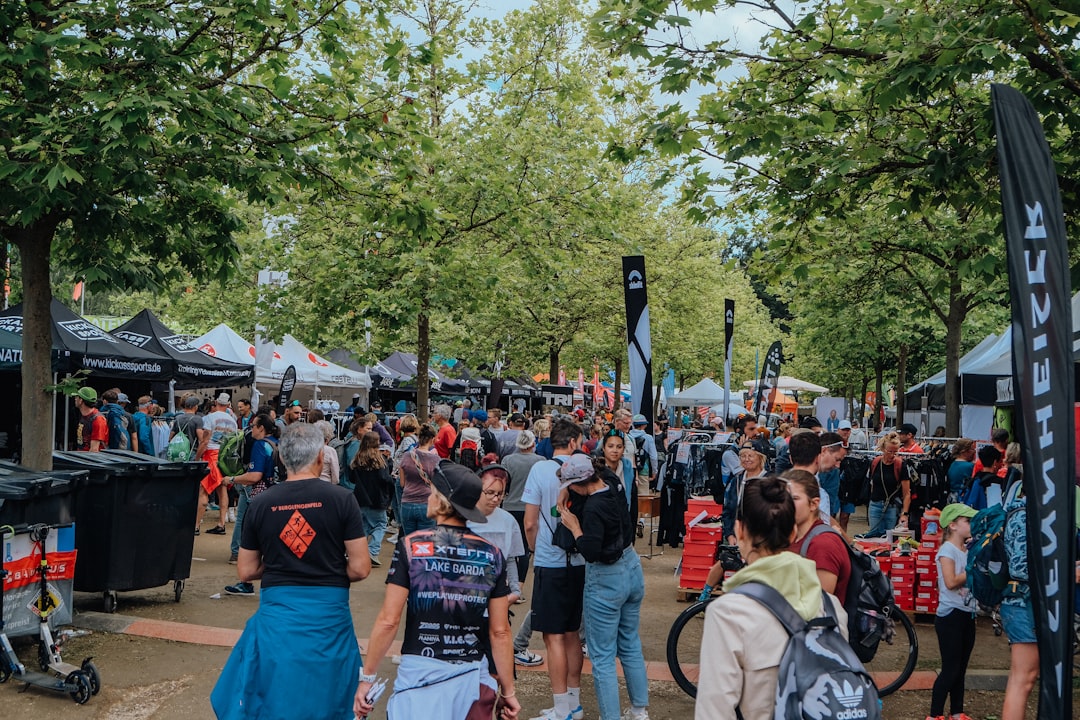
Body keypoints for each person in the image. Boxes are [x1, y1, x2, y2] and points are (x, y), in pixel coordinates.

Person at [210, 423, 370, 720]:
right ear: (321, 456)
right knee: (330, 695)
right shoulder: (342, 499)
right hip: (329, 619)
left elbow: (246, 571)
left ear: (281, 458)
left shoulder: (261, 503)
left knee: (277, 694)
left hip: (278, 616)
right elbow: (360, 568)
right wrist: (324, 567)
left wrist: (282, 565)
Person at [354, 461, 520, 720]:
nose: (428, 498)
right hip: (471, 677)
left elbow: (389, 620)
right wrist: (508, 691)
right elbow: (500, 631)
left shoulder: (411, 546)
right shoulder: (491, 554)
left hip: (420, 675)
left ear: (443, 500)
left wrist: (368, 677)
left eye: (432, 492)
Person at [695, 475, 846, 720]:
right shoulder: (831, 606)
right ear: (793, 532)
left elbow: (714, 708)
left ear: (739, 530)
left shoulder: (729, 612)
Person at [556, 453, 649, 720]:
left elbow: (591, 551)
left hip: (606, 577)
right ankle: (639, 710)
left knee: (603, 656)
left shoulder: (593, 508)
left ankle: (611, 716)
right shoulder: (611, 484)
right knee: (630, 641)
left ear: (577, 484)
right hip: (631, 565)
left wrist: (575, 527)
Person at [522, 419, 586, 720]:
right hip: (579, 560)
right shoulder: (585, 470)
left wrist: (535, 549)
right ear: (572, 442)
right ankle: (574, 703)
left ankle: (561, 709)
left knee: (553, 637)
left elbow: (530, 522)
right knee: (572, 634)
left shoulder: (540, 470)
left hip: (550, 560)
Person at [928, 503, 978, 720]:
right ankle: (935, 714)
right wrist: (973, 570)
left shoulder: (967, 550)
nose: (972, 525)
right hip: (950, 616)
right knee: (950, 669)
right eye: (968, 521)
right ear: (953, 525)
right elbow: (950, 582)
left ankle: (957, 712)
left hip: (967, 613)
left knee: (961, 668)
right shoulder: (947, 550)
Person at [222, 413, 280, 578]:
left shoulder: (260, 445)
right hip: (277, 492)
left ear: (261, 428)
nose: (251, 428)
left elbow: (254, 476)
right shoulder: (277, 443)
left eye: (253, 425)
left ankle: (245, 575)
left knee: (249, 530)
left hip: (261, 495)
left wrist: (232, 479)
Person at [1000, 475, 1037, 720]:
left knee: (1022, 678)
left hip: (1020, 603)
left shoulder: (1018, 513)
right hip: (1023, 603)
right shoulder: (1025, 517)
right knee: (1024, 678)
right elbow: (1021, 568)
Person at [784, 470, 850, 599]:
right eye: (782, 498)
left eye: (794, 498)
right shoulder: (792, 536)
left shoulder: (823, 544)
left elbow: (819, 603)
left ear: (814, 504)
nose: (786, 504)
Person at [195, 393, 237, 536]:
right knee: (222, 488)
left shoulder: (209, 418)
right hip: (224, 457)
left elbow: (205, 441)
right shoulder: (233, 421)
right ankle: (221, 524)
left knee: (204, 490)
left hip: (211, 455)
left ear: (216, 403)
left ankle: (196, 526)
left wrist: (197, 458)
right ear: (228, 404)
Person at [350, 430, 393, 567]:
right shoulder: (380, 460)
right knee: (380, 524)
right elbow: (384, 478)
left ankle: (359, 552)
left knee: (363, 526)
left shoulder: (357, 460)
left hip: (360, 498)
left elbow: (352, 478)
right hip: (377, 498)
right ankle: (372, 551)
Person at [863, 431, 912, 538]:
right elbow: (872, 484)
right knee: (874, 536)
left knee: (889, 538)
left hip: (892, 506)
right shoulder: (875, 462)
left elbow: (907, 493)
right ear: (883, 449)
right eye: (890, 451)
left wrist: (904, 513)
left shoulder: (900, 465)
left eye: (895, 452)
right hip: (875, 505)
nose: (893, 455)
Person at [396, 424, 439, 536]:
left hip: (407, 504)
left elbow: (402, 483)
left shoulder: (406, 456)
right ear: (432, 439)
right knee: (425, 542)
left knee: (409, 540)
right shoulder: (436, 460)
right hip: (427, 504)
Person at [721, 445, 768, 546]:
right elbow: (727, 510)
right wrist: (729, 535)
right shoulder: (736, 481)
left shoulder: (769, 481)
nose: (746, 459)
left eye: (750, 456)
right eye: (743, 456)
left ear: (760, 458)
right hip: (736, 539)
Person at [74, 387, 107, 452]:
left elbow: (94, 450)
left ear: (81, 400)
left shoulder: (98, 420)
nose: (75, 399)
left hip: (91, 458)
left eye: (76, 397)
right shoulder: (85, 416)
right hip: (82, 456)